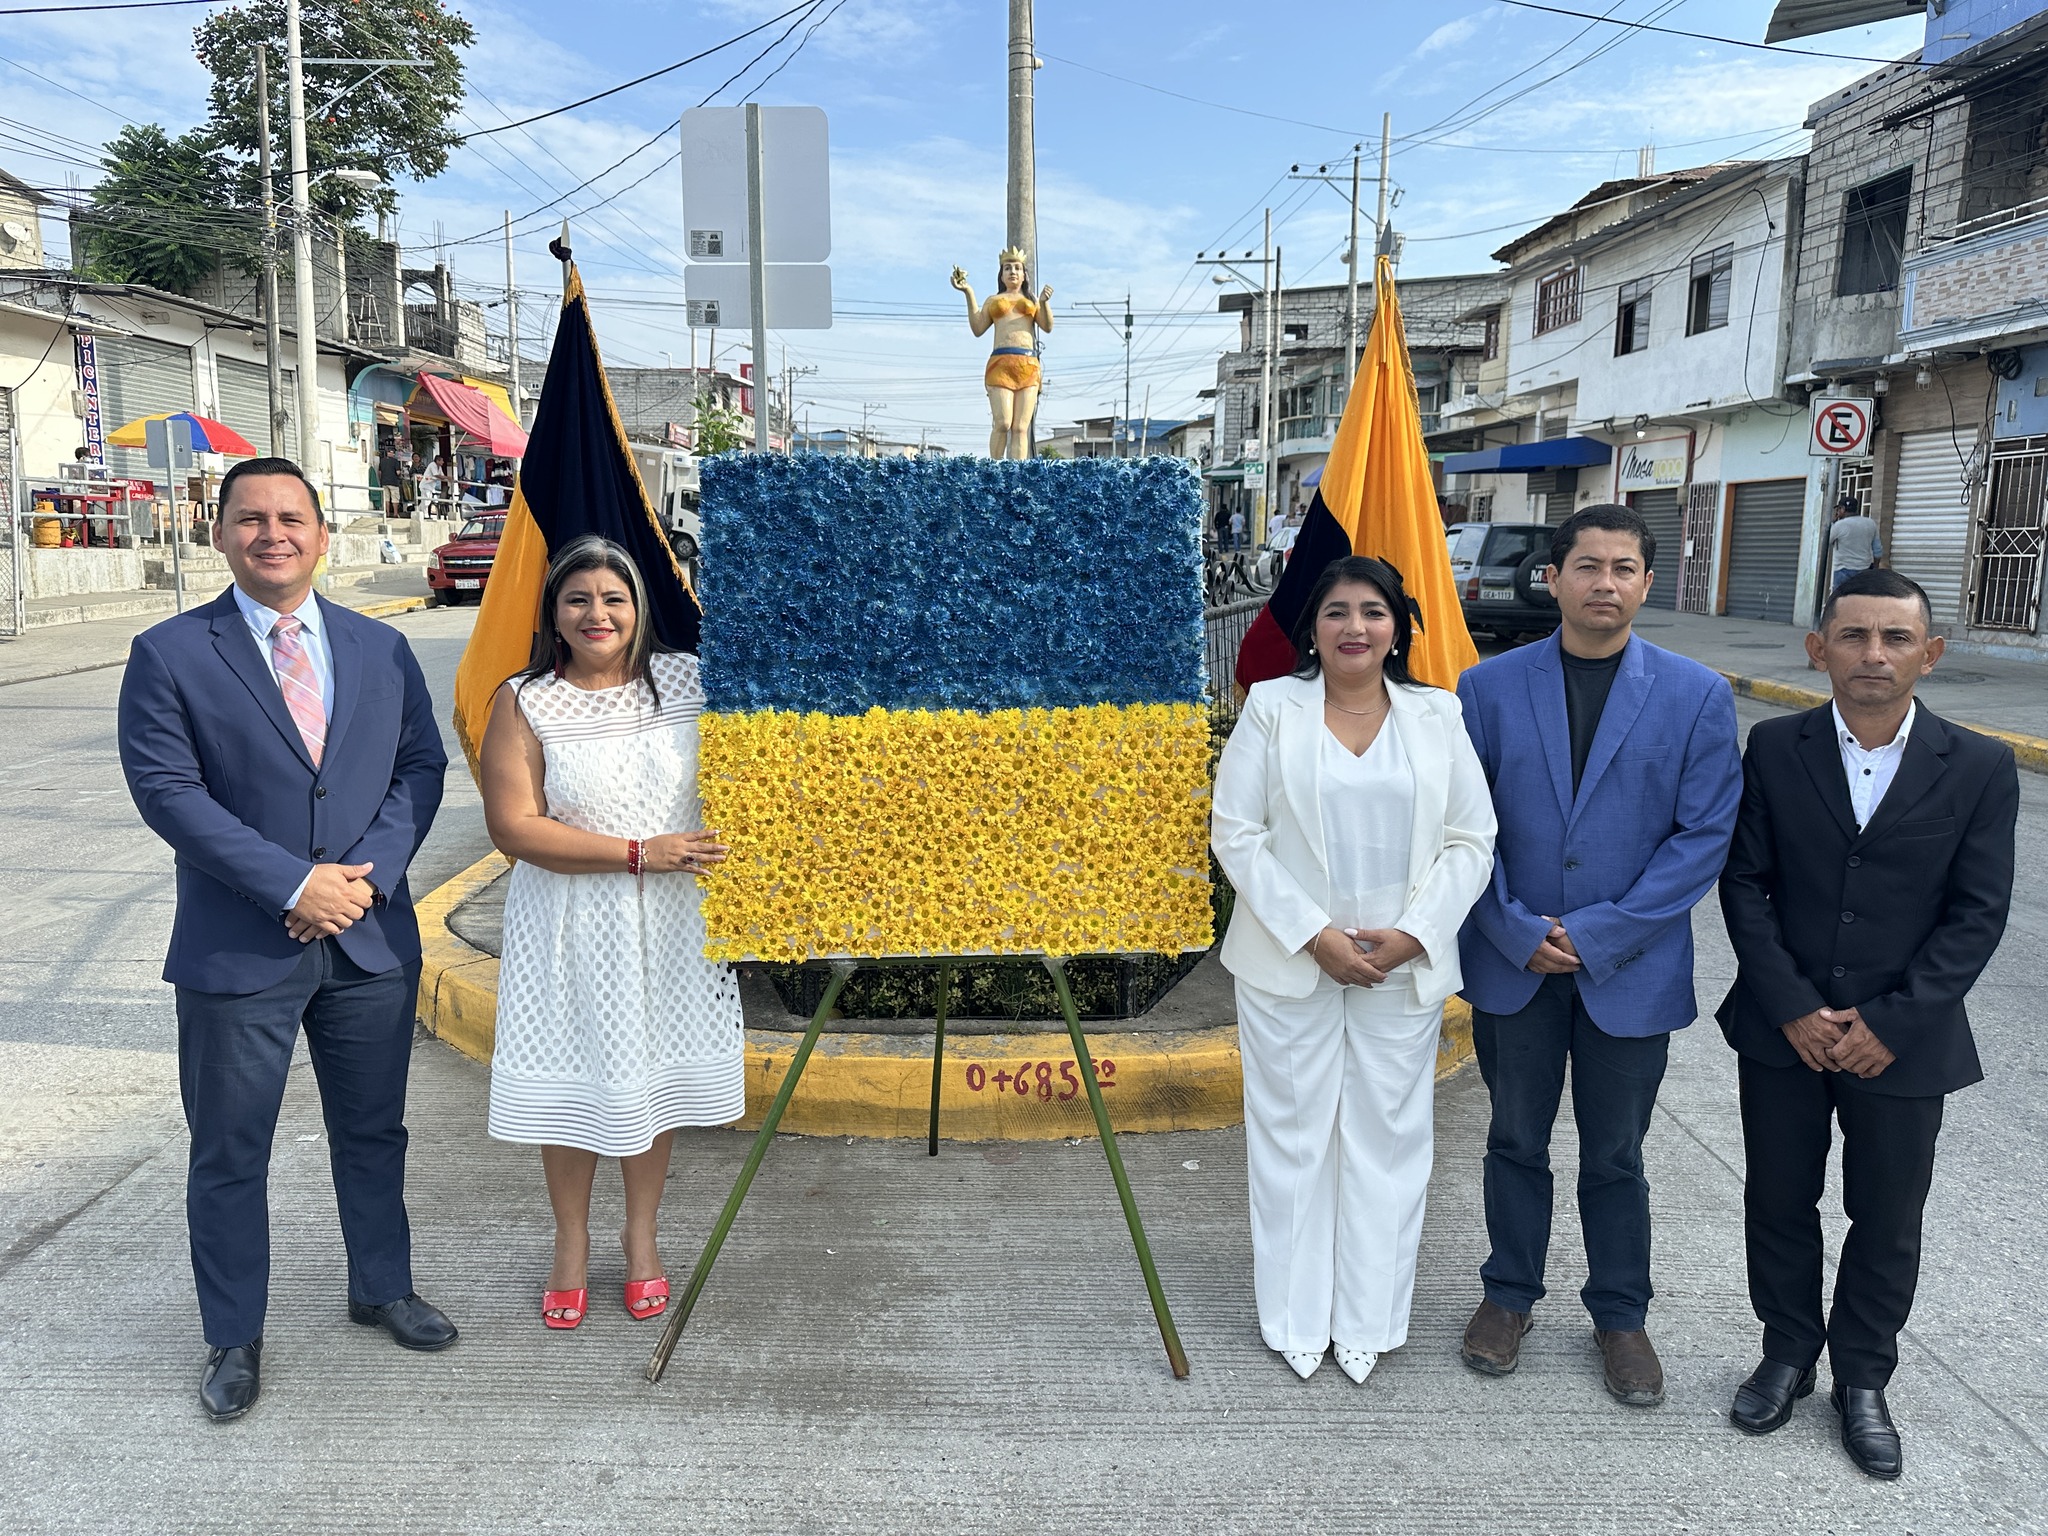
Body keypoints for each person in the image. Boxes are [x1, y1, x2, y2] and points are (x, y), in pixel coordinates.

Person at [116, 455, 453, 1422]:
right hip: (239, 948)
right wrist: (293, 884)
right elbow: (167, 792)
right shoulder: (170, 653)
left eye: (292, 518)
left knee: (373, 1130)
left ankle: (381, 1287)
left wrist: (361, 882)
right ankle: (234, 1335)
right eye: (252, 518)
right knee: (230, 1149)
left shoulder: (380, 647)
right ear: (219, 533)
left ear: (321, 533)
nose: (274, 534)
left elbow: (420, 769)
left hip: (368, 941)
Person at [1716, 569, 2016, 1479]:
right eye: (1853, 635)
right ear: (1819, 650)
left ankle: (1863, 1379)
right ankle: (1787, 1353)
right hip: (1785, 1031)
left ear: (1930, 653)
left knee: (1886, 1215)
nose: (1873, 654)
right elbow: (1746, 885)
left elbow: (1977, 913)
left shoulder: (1978, 765)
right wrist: (1793, 1006)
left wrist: (1891, 1021)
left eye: (1896, 638)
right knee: (1778, 1199)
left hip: (1905, 1041)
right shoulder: (1776, 747)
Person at [1454, 504, 1742, 1406]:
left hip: (1631, 969)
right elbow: (1460, 828)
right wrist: (1513, 928)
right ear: (1554, 579)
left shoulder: (1696, 694)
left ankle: (1620, 1315)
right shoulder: (1487, 689)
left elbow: (1702, 837)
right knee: (1514, 1138)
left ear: (1648, 584)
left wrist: (1602, 932)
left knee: (1617, 1153)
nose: (1604, 583)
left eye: (1623, 568)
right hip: (1516, 961)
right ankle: (1509, 1295)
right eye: (1587, 566)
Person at [1213, 555, 1497, 1383]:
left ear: (1398, 628)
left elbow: (1471, 840)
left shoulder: (1437, 714)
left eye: (1373, 611)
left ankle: (1370, 1317)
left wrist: (1415, 933)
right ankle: (1296, 1316)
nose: (1355, 627)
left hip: (1398, 969)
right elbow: (1237, 833)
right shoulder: (1273, 708)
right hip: (1289, 964)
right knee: (1293, 1139)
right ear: (1313, 627)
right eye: (1336, 611)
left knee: (1388, 1141)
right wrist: (1314, 935)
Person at [479, 535, 743, 1330]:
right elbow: (514, 827)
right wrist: (638, 853)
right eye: (578, 599)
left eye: (614, 598)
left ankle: (641, 1237)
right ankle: (570, 1241)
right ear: (554, 613)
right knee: (573, 1088)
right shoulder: (525, 699)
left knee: (648, 1085)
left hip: (670, 924)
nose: (597, 614)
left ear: (639, 607)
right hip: (569, 923)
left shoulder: (691, 680)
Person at [950, 248, 1053, 459]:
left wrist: (1043, 302)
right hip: (1001, 364)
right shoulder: (993, 300)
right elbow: (978, 328)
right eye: (1007, 268)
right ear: (1001, 274)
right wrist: (968, 292)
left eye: (1017, 268)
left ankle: (1018, 471)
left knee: (1021, 427)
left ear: (1024, 274)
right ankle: (995, 469)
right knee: (1003, 423)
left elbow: (1047, 326)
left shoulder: (1032, 300)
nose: (1012, 272)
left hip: (1028, 365)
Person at [1827, 493, 1884, 592]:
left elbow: (1828, 541)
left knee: (1841, 599)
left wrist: (1833, 522)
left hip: (1843, 571)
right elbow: (1878, 550)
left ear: (1842, 509)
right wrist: (1875, 569)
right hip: (1864, 570)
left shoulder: (1838, 526)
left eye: (1838, 509)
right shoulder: (1870, 523)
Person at [377, 443, 405, 519]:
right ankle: (395, 513)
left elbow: (379, 472)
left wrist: (381, 479)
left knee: (386, 498)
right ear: (393, 453)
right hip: (393, 482)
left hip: (384, 482)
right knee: (395, 498)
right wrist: (400, 474)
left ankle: (387, 513)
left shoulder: (382, 461)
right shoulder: (395, 461)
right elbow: (398, 472)